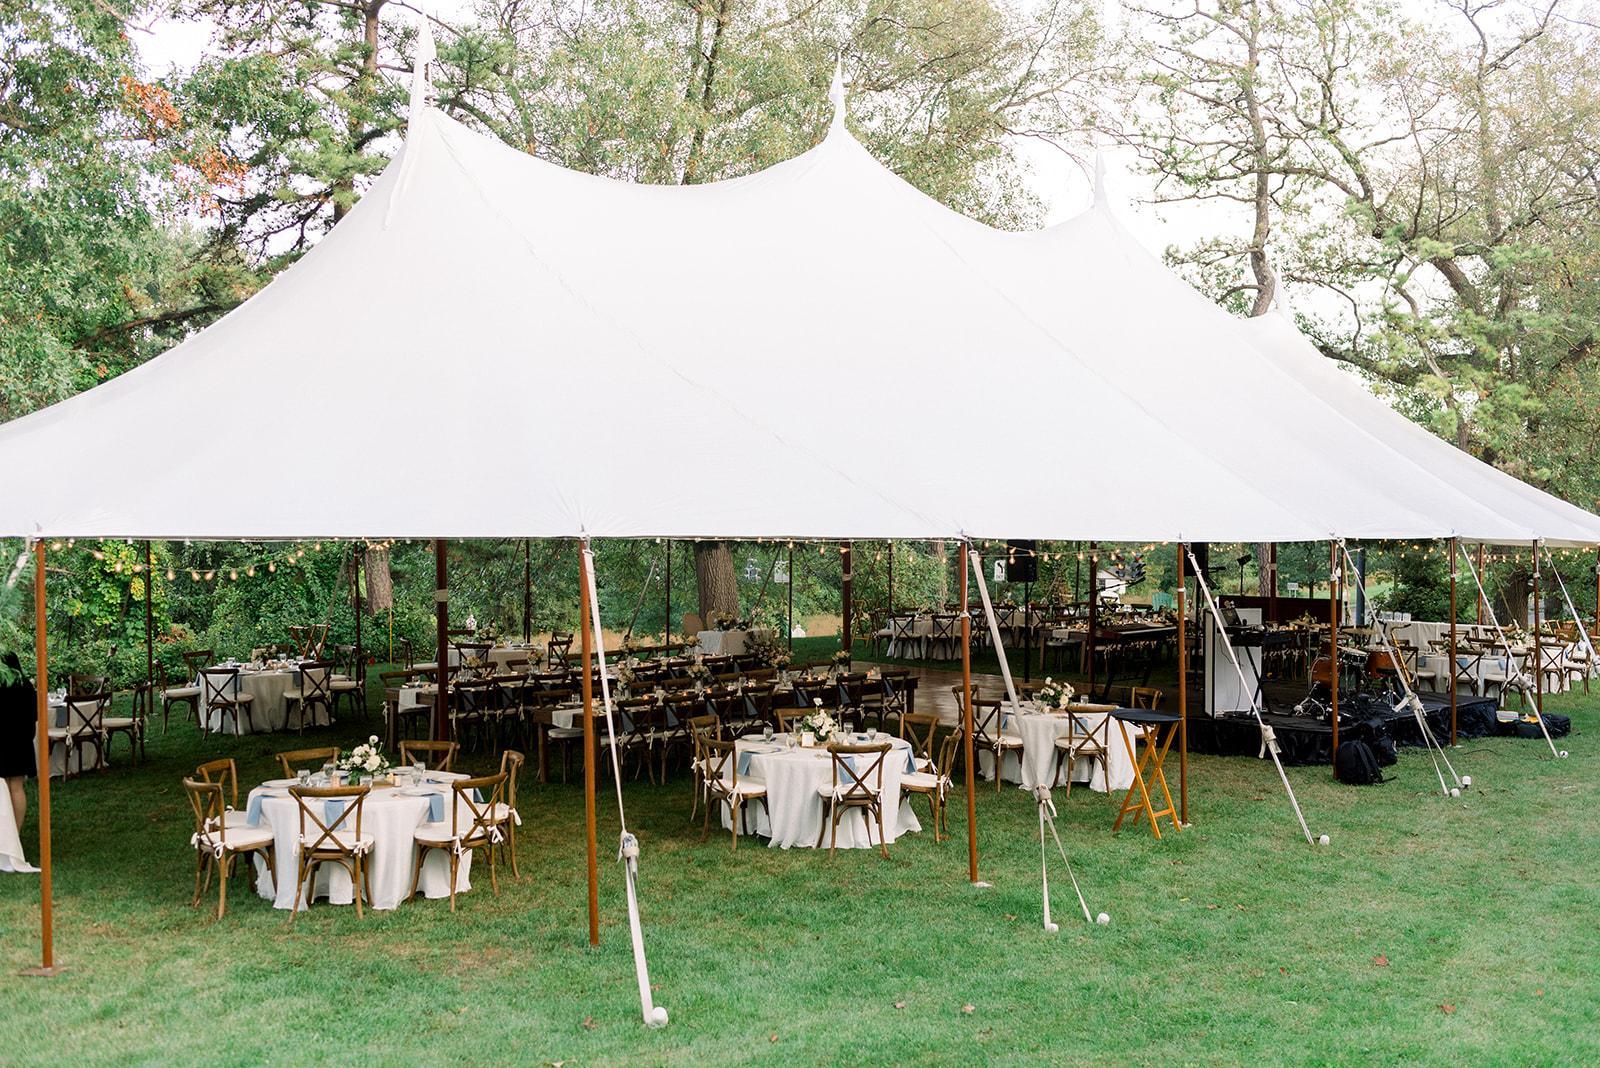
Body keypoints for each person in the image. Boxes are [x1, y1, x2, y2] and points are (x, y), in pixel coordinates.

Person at [0, 651, 37, 831]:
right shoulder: (27, 686)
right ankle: (16, 831)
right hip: (21, 741)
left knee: (5, 788)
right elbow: (34, 716)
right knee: (16, 786)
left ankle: (7, 833)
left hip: (3, 741)